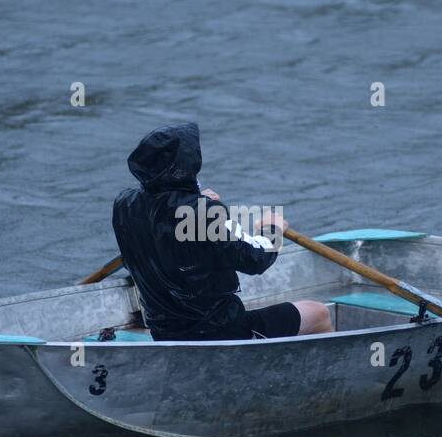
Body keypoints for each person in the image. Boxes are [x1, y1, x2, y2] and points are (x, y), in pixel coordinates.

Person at [111, 122, 334, 342]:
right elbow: (255, 259)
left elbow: (165, 221)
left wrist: (197, 201)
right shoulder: (203, 212)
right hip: (220, 331)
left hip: (163, 332)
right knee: (318, 313)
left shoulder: (124, 204)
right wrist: (270, 229)